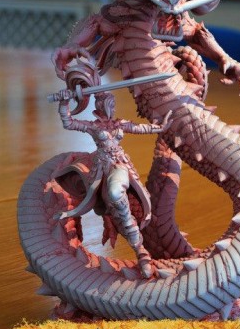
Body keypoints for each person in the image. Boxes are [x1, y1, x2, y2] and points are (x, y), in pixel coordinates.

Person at [54, 89, 171, 278]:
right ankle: (140, 251)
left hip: (120, 166)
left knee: (117, 194)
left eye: (112, 104)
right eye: (106, 104)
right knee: (115, 207)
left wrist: (161, 127)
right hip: (102, 168)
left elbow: (141, 128)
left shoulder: (120, 124)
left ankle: (141, 252)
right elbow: (68, 122)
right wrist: (64, 101)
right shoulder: (93, 127)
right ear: (99, 106)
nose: (111, 108)